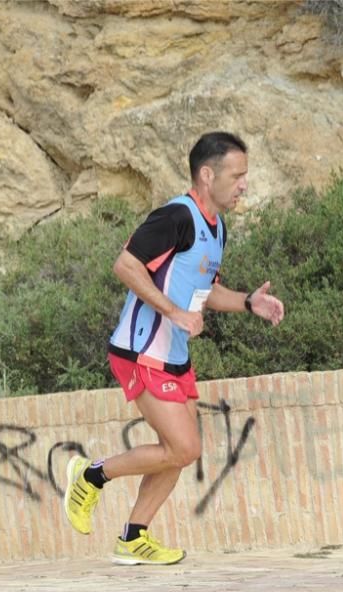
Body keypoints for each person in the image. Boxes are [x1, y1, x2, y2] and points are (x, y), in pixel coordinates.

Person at [63, 131, 285, 565]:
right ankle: (90, 475)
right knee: (185, 448)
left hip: (174, 356)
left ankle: (132, 536)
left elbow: (203, 293)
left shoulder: (217, 228)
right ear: (207, 174)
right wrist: (172, 312)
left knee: (177, 452)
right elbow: (125, 265)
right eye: (237, 175)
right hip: (140, 349)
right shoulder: (175, 217)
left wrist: (246, 302)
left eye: (246, 176)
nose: (244, 184)